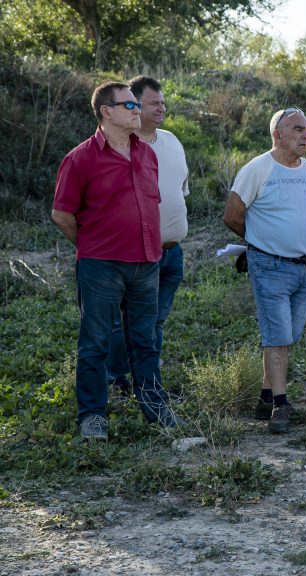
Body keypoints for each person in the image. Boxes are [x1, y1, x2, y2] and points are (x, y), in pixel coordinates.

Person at [51, 81, 184, 440]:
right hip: (101, 266)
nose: (135, 109)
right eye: (128, 105)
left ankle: (154, 406)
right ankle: (93, 415)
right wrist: (93, 247)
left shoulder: (147, 154)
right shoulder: (81, 158)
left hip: (146, 263)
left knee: (145, 340)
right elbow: (62, 214)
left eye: (135, 104)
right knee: (95, 342)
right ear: (105, 112)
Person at [223, 107, 306, 434]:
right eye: (297, 129)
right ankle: (281, 405)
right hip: (270, 266)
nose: (305, 134)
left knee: (288, 335)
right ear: (277, 134)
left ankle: (266, 396)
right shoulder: (257, 169)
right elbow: (233, 215)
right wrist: (259, 242)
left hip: (305, 268)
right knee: (277, 334)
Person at [105, 76, 191, 395]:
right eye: (154, 103)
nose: (162, 108)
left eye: (163, 103)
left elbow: (180, 192)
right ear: (134, 105)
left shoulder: (172, 141)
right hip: (135, 253)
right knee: (126, 322)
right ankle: (116, 381)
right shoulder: (120, 147)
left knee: (155, 322)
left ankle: (148, 384)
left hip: (172, 251)